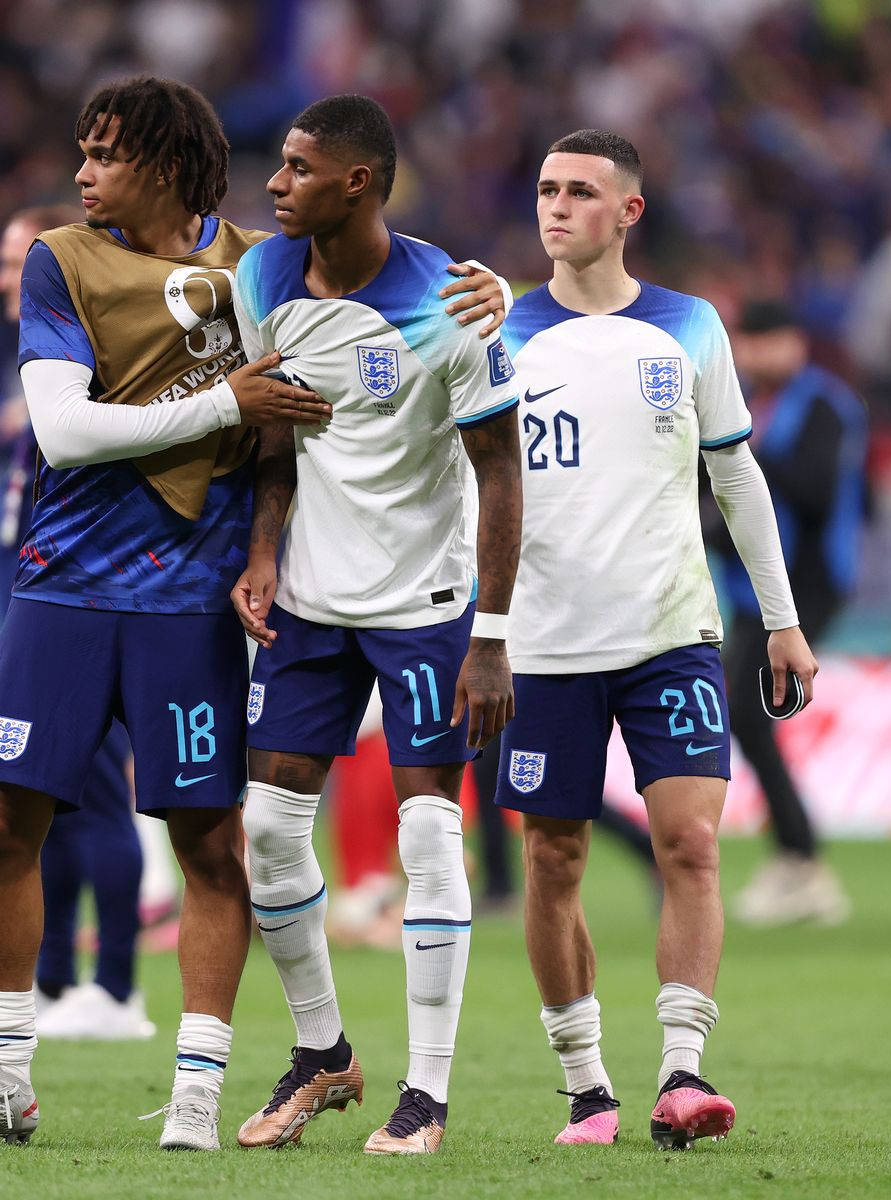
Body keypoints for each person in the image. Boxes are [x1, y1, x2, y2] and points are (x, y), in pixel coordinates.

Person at [0, 75, 504, 1150]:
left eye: (104, 154)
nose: (83, 174)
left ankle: (307, 1091)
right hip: (162, 591)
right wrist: (245, 468)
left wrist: (501, 295)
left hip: (297, 602)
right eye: (79, 154)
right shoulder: (143, 263)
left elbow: (470, 420)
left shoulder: (341, 279)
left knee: (279, 842)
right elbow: (125, 432)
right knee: (66, 828)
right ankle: (32, 1066)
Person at [495, 129, 817, 1149]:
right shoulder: (498, 330)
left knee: (691, 844)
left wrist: (782, 619)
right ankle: (588, 1087)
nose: (556, 207)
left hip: (672, 631)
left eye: (580, 192)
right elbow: (465, 487)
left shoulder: (690, 329)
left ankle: (683, 1071)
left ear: (628, 212)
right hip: (543, 643)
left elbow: (737, 477)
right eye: (546, 189)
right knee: (552, 860)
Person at [228, 94, 520, 1157]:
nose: (276, 183)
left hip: (426, 609)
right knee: (267, 831)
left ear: (357, 182)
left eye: (298, 168)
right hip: (308, 598)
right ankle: (323, 1057)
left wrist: (492, 635)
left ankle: (426, 1096)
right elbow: (275, 436)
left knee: (432, 834)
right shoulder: (262, 277)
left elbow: (501, 469)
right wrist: (264, 550)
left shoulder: (453, 300)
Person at [0, 204, 153, 1042]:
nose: (10, 276)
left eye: (23, 259)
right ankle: (54, 977)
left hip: (81, 600)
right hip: (22, 605)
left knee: (96, 798)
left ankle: (120, 986)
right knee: (32, 801)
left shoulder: (86, 358)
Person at [715, 300, 865, 927]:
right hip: (750, 590)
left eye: (770, 339)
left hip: (807, 587)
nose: (757, 354)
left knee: (746, 712)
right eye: (749, 340)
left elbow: (816, 491)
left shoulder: (824, 405)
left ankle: (801, 862)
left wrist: (745, 449)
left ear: (797, 343)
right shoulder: (748, 400)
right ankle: (797, 858)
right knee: (747, 716)